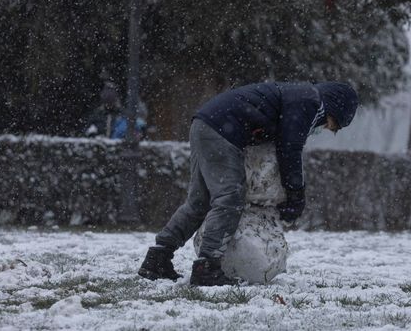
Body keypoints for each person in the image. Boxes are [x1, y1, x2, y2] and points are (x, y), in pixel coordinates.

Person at [138, 81, 359, 286]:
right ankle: (207, 267)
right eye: (335, 124)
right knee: (230, 198)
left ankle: (158, 257)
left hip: (205, 124)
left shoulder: (298, 95)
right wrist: (295, 194)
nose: (330, 129)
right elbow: (289, 149)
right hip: (221, 131)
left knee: (199, 201)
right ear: (335, 109)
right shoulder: (309, 103)